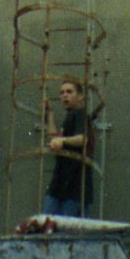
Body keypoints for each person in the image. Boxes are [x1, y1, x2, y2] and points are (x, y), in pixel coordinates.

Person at [44, 77, 95, 218]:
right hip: (63, 185)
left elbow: (82, 139)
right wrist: (50, 114)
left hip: (74, 186)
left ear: (80, 97)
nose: (64, 95)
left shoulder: (80, 113)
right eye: (62, 92)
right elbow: (55, 137)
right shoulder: (71, 117)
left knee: (54, 228)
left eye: (69, 92)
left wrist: (62, 141)